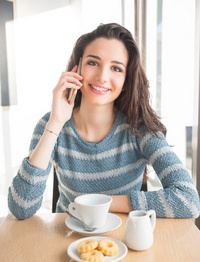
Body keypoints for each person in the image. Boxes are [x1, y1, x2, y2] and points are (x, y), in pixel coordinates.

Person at [8, 23, 200, 220]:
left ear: (127, 80)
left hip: (125, 241)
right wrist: (56, 123)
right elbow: (21, 207)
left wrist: (101, 203)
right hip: (66, 239)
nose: (102, 77)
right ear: (77, 68)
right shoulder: (50, 124)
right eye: (93, 63)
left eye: (116, 68)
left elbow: (188, 200)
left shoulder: (139, 128)